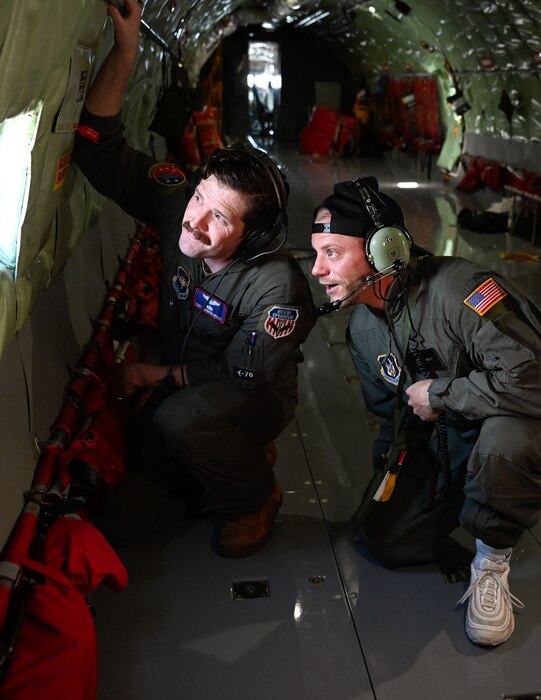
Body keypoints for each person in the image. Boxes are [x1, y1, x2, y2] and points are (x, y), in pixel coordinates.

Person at [309, 176, 541, 646]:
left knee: (504, 442)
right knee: (387, 542)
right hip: (458, 431)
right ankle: (477, 489)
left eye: (332, 254)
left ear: (386, 251)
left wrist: (440, 396)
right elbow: (396, 418)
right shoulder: (363, 327)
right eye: (316, 254)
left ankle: (491, 562)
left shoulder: (460, 290)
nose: (318, 270)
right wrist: (395, 480)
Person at [72, 0, 315, 558]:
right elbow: (96, 145)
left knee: (182, 421)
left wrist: (149, 374)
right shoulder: (180, 200)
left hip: (249, 391)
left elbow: (241, 370)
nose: (194, 222)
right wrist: (127, 49)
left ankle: (255, 496)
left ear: (250, 237)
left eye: (220, 218)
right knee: (125, 519)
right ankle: (227, 454)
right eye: (200, 198)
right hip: (184, 382)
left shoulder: (276, 288)